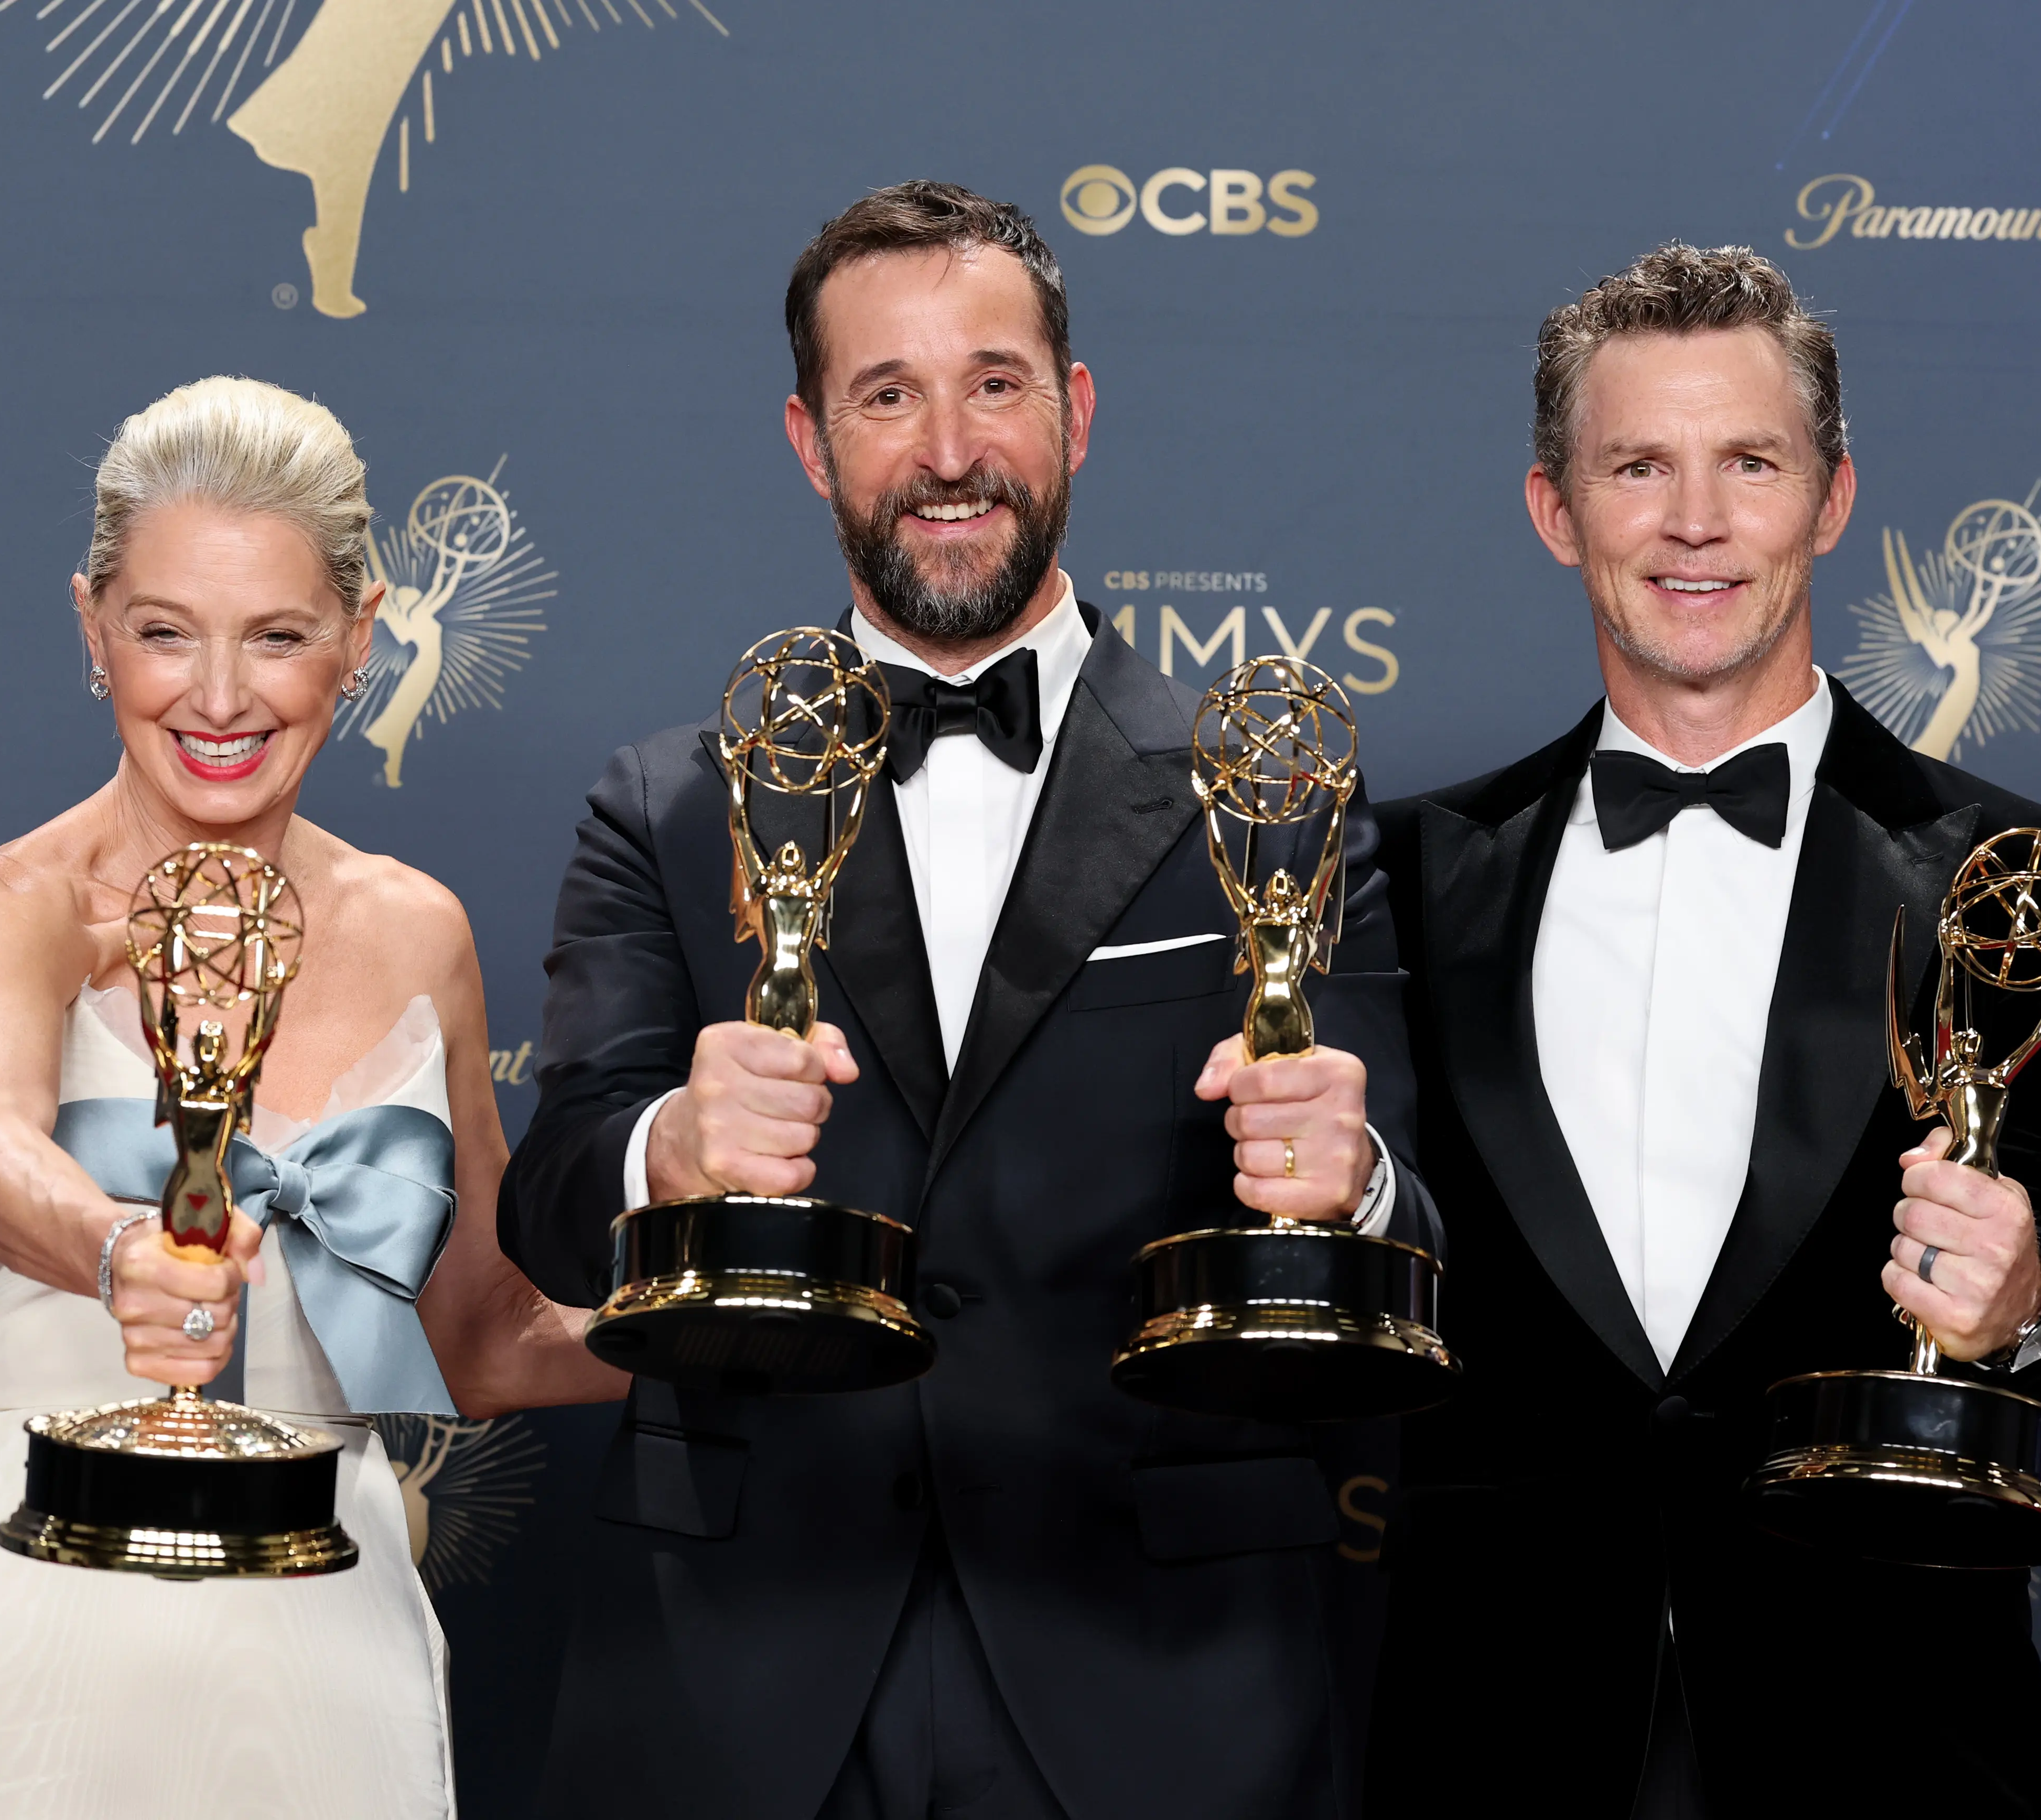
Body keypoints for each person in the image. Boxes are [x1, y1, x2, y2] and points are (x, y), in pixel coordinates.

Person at [496, 181, 1434, 1820]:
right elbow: (556, 1201)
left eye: (994, 383)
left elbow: (1421, 1230)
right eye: (887, 395)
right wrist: (670, 1147)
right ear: (810, 439)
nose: (948, 450)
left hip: (1155, 1666)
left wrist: (1352, 1184)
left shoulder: (1269, 787)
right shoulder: (667, 801)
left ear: (1072, 413)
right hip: (739, 1669)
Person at [0, 376, 625, 1820]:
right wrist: (124, 1251)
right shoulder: (4, 907)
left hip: (324, 1632)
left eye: (278, 636)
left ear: (361, 637)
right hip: (22, 1619)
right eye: (162, 633)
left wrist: (740, 1326)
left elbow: (482, 1333)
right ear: (92, 628)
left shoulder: (417, 933)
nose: (217, 697)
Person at [1364, 245, 2041, 1818]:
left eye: (1750, 462)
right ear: (1555, 511)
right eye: (1636, 467)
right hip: (1489, 1728)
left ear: (1832, 497)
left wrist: (2026, 1299)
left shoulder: (2010, 879)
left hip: (1891, 1729)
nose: (1695, 521)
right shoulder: (1399, 877)